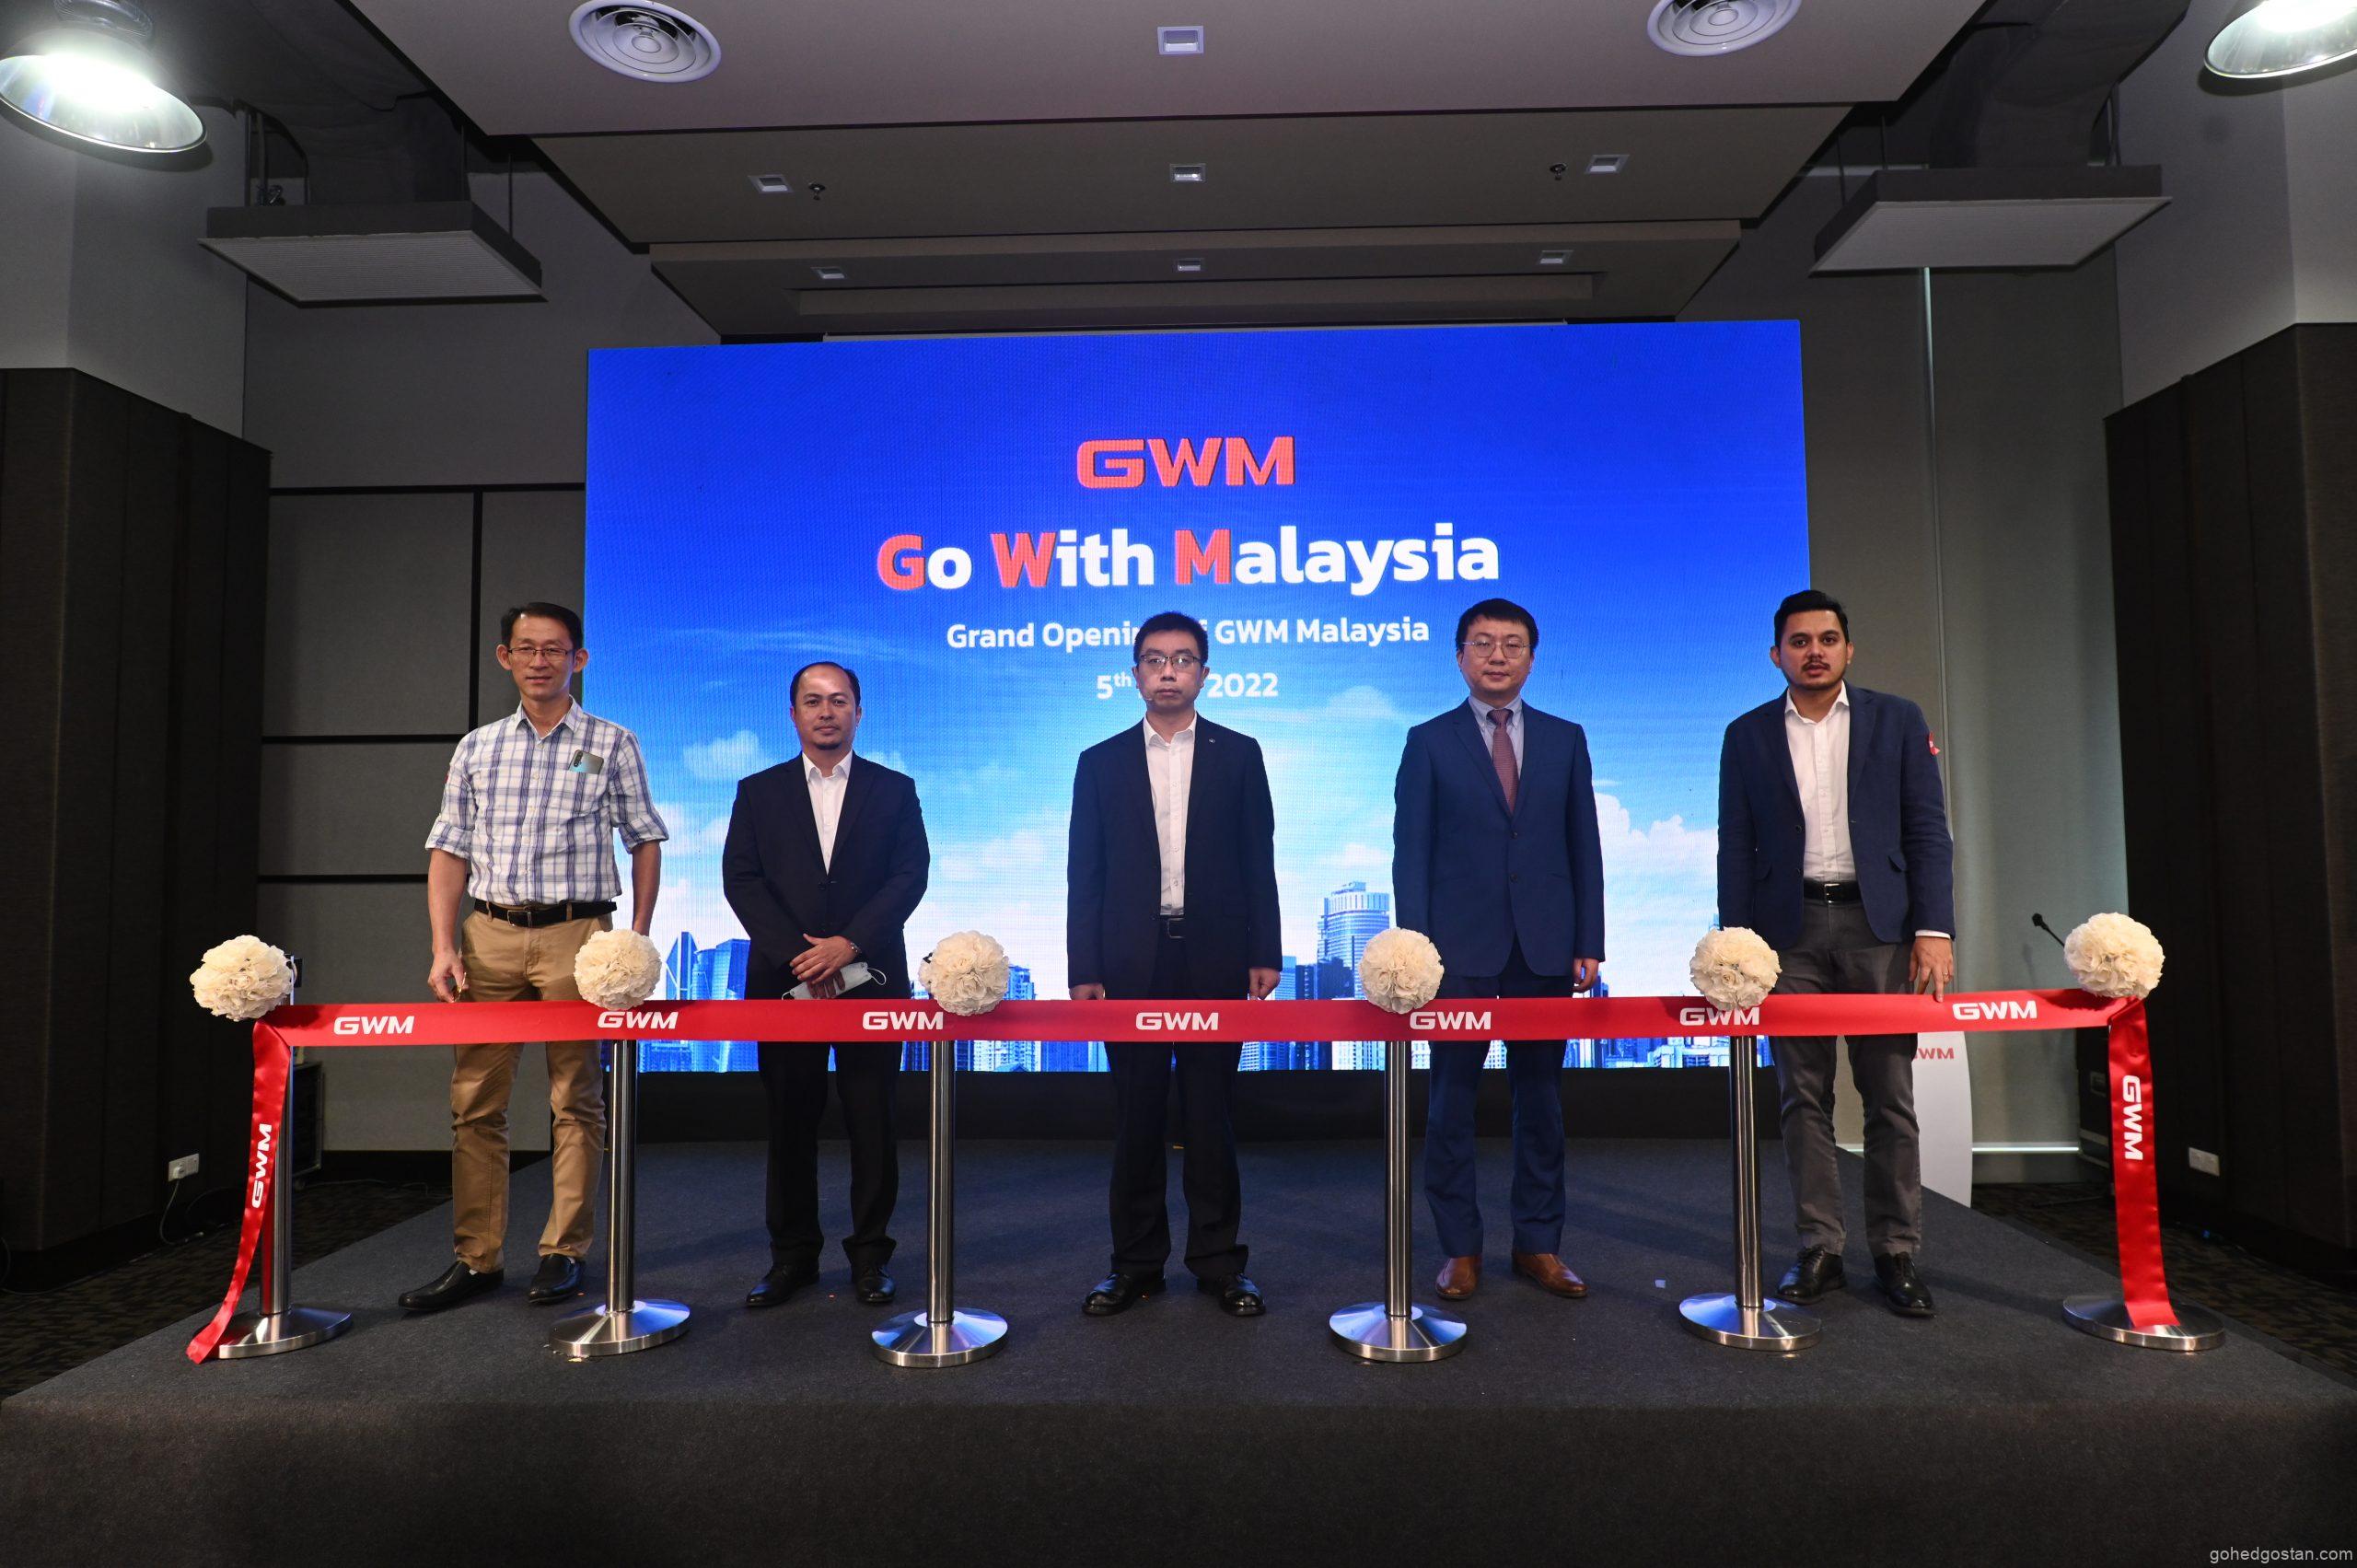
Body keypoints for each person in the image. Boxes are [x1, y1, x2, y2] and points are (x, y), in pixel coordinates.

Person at [405, 601, 668, 1313]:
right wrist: (443, 943)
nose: (540, 661)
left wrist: (637, 936)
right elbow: (449, 847)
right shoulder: (478, 747)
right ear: (506, 657)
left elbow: (644, 839)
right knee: (475, 1102)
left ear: (579, 659)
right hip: (488, 935)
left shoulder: (611, 742)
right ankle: (477, 1257)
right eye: (527, 648)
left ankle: (563, 1251)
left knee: (575, 1099)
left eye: (555, 649)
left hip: (578, 937)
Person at [1717, 588, 1955, 1318]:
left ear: (1849, 648)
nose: (1814, 652)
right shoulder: (1746, 734)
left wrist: (1934, 928)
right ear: (1776, 655)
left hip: (1880, 928)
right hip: (1787, 935)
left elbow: (1927, 829)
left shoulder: (1898, 719)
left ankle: (1895, 1250)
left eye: (1827, 639)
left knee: (1890, 1095)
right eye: (1799, 641)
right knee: (1802, 1096)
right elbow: (1736, 845)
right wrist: (1737, 945)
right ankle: (1820, 1246)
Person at [1068, 611, 1280, 1318]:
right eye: (1155, 660)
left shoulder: (1239, 754)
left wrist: (1264, 949)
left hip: (1215, 955)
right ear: (1134, 674)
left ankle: (1220, 1263)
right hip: (1130, 958)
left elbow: (1258, 859)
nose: (1168, 671)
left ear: (1204, 673)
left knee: (1211, 1114)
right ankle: (1134, 1264)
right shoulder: (1099, 761)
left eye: (1183, 659)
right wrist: (1083, 965)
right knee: (1137, 1116)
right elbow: (1084, 872)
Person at [1394, 598, 1605, 1302]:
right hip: (1456, 953)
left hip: (1544, 948)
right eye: (1482, 643)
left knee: (1540, 1101)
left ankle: (1539, 1242)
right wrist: (1416, 952)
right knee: (1450, 1102)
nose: (1497, 655)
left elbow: (1583, 845)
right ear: (1459, 656)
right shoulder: (1428, 741)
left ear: (1532, 659)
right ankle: (1460, 1248)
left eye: (1512, 644)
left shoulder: (1566, 738)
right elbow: (1411, 854)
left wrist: (1589, 939)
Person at [724, 661, 930, 1308]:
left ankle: (870, 1256)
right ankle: (792, 1257)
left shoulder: (894, 789)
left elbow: (910, 874)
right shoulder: (758, 791)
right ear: (793, 714)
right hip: (784, 983)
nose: (826, 712)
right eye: (812, 701)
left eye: (839, 700)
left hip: (872, 978)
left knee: (873, 1120)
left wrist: (849, 944)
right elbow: (741, 880)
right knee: (790, 1122)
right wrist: (799, 954)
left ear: (858, 712)